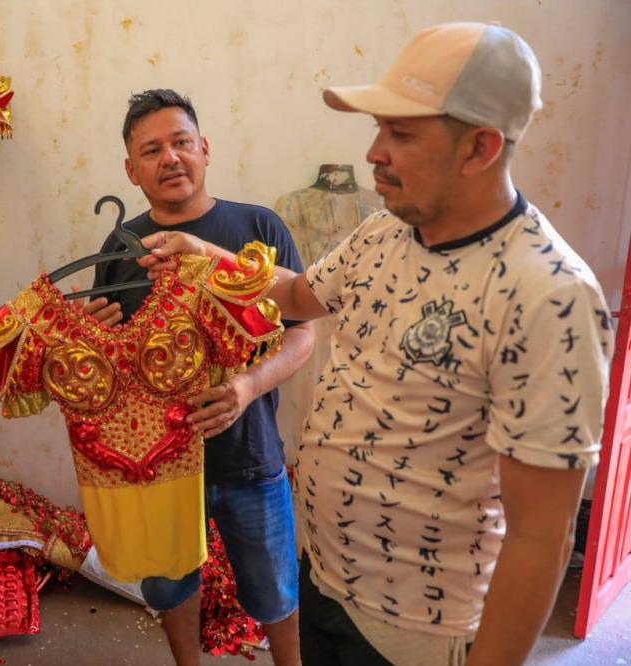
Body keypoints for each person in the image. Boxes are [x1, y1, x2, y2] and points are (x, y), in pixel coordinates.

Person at [136, 24, 612, 666]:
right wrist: (201, 253)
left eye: (402, 134)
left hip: (416, 632)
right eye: (379, 128)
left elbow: (541, 536)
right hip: (326, 582)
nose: (374, 153)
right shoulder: (384, 235)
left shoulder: (548, 295)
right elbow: (296, 296)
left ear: (480, 147)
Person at [76, 89, 315, 666]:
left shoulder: (259, 227)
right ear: (132, 171)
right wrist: (92, 339)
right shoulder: (121, 247)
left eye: (181, 142)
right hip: (154, 461)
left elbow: (302, 333)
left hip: (249, 453)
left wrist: (247, 387)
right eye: (152, 150)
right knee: (169, 587)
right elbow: (105, 354)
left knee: (276, 589)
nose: (171, 158)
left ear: (204, 149)